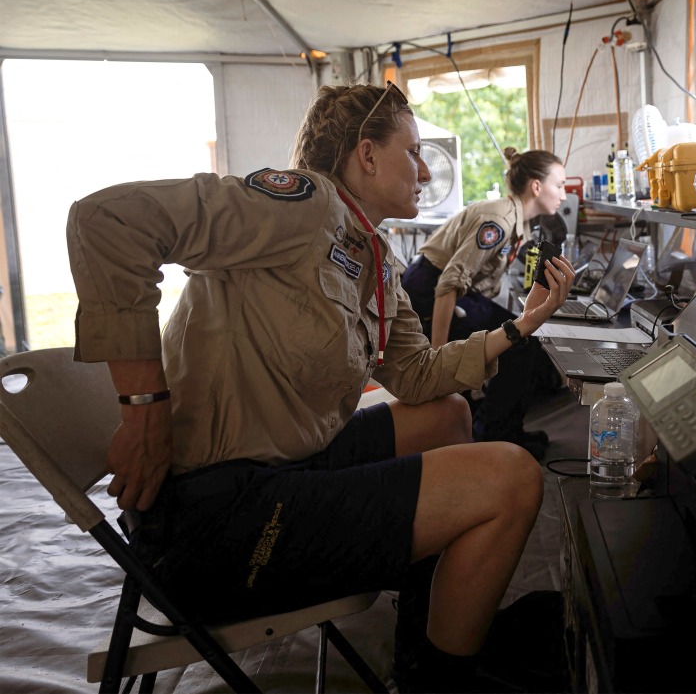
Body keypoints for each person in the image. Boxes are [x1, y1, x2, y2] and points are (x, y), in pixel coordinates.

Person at [65, 80, 576, 692]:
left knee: (446, 418)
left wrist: (522, 326)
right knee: (513, 476)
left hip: (285, 470)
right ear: (366, 155)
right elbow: (105, 222)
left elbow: (416, 375)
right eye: (412, 151)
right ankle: (444, 682)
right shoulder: (302, 204)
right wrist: (144, 411)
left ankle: (431, 637)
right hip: (214, 521)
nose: (423, 169)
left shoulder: (374, 256)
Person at [401, 146, 569, 459]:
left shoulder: (518, 220)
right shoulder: (499, 221)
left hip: (450, 290)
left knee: (523, 339)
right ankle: (495, 436)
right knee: (519, 345)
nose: (564, 194)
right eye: (558, 185)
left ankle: (503, 428)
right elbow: (448, 283)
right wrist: (438, 361)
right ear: (536, 186)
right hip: (429, 291)